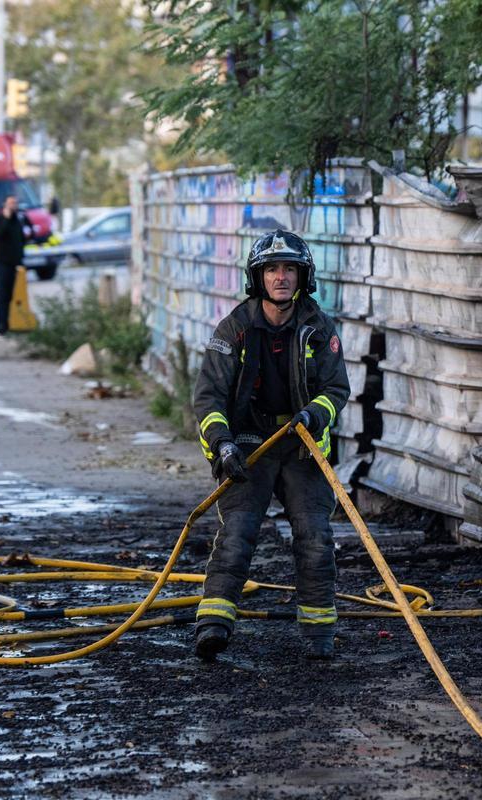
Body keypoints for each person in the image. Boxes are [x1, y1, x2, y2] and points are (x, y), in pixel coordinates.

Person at [192, 229, 349, 662]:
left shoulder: (318, 326)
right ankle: (213, 626)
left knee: (315, 536)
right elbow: (208, 398)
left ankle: (319, 634)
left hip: (301, 444)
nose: (281, 277)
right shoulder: (235, 329)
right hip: (248, 445)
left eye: (290, 269)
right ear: (258, 278)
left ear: (303, 276)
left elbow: (336, 389)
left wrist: (313, 415)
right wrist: (222, 446)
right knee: (238, 533)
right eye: (272, 269)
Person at [0, 194, 32, 336]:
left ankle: (5, 327)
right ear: (5, 205)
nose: (14, 205)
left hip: (14, 264)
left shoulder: (18, 220)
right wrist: (6, 218)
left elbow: (23, 238)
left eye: (16, 203)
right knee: (1, 296)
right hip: (1, 263)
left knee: (8, 297)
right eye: (11, 203)